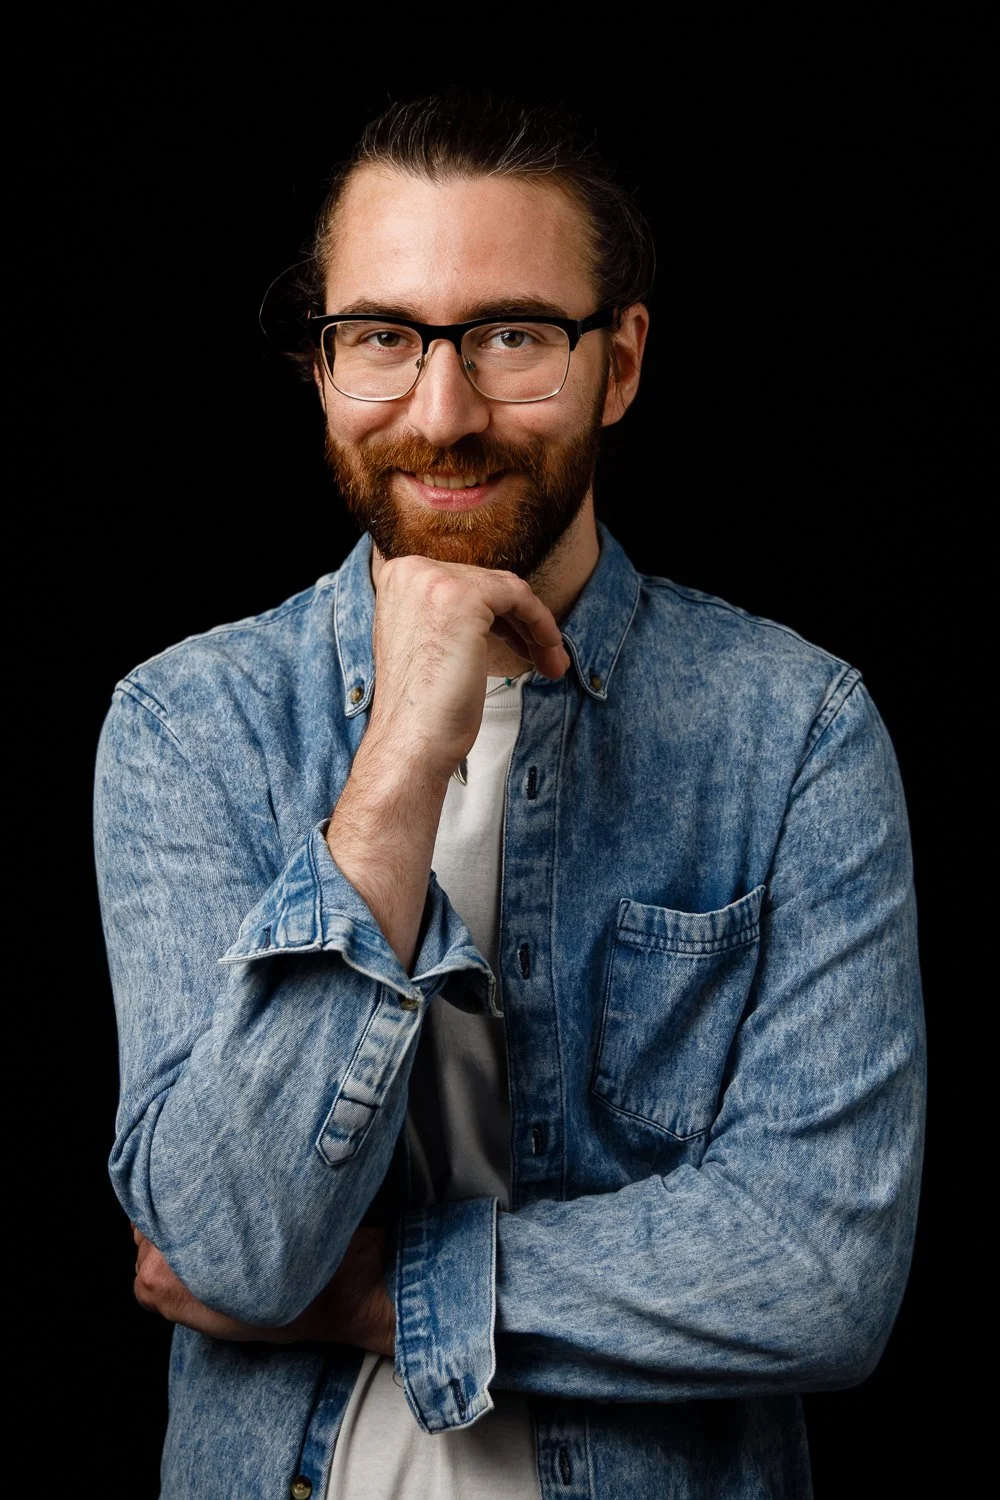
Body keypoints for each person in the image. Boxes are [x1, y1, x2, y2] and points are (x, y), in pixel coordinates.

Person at [94, 95, 926, 1500]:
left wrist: (379, 1297)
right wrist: (401, 760)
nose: (443, 413)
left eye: (514, 338)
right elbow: (233, 1241)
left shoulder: (798, 736)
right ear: (321, 364)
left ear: (623, 364)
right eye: (383, 339)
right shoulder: (187, 724)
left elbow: (818, 1270)